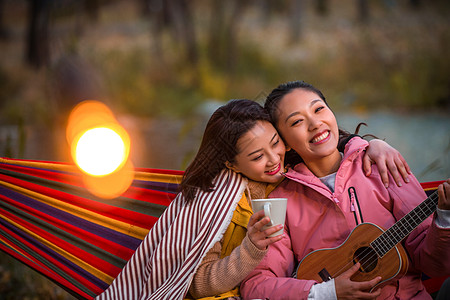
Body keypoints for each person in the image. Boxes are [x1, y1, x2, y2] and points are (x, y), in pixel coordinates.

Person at [96, 99, 411, 300]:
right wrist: (250, 249)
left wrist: (369, 144)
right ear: (231, 164)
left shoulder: (287, 171)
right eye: (258, 156)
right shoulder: (215, 201)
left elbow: (321, 142)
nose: (274, 158)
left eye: (276, 143)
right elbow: (197, 283)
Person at [240, 80, 450, 300]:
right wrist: (326, 293)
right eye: (297, 122)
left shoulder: (384, 166)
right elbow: (257, 286)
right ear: (285, 143)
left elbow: (435, 265)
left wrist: (444, 218)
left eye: (319, 109)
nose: (314, 124)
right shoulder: (279, 201)